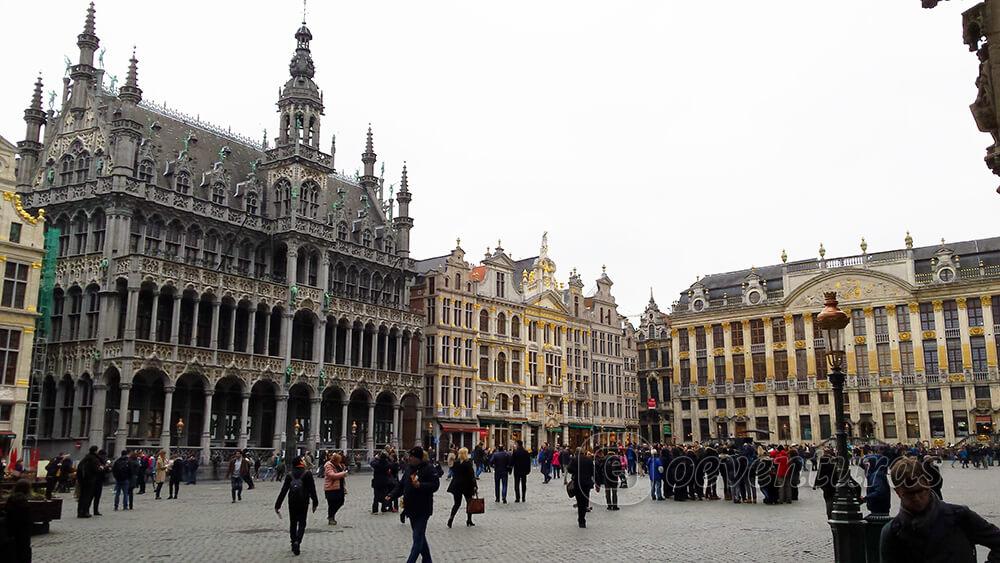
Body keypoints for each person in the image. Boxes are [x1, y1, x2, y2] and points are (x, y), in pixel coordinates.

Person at [880, 456, 1000, 561]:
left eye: (920, 490)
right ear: (898, 493)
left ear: (927, 484)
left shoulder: (959, 516)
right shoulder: (892, 532)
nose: (916, 498)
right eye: (909, 493)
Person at [387, 446, 440, 563]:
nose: (409, 458)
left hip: (423, 508)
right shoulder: (409, 468)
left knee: (417, 537)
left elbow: (435, 485)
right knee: (420, 536)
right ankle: (427, 560)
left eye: (412, 456)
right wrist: (391, 496)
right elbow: (401, 486)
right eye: (409, 456)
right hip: (410, 508)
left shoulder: (429, 469)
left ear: (418, 458)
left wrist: (421, 485)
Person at [275, 456, 319, 556]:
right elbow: (312, 489)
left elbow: (284, 491)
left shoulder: (290, 474)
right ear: (300, 462)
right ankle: (298, 541)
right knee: (302, 522)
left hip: (292, 501)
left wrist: (277, 505)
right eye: (302, 460)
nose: (304, 461)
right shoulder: (307, 473)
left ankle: (293, 541)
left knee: (293, 522)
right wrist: (315, 502)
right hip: (303, 501)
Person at [446, 447, 477, 528]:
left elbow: (453, 471)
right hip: (467, 486)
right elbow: (472, 476)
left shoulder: (456, 463)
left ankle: (451, 518)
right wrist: (475, 486)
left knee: (456, 504)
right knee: (469, 503)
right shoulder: (468, 463)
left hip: (456, 485)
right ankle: (469, 520)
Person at [567, 449, 596, 528]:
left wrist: (575, 472)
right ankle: (583, 516)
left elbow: (569, 469)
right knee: (584, 500)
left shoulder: (575, 460)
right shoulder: (589, 460)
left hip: (578, 483)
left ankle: (581, 520)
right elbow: (593, 472)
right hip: (587, 483)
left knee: (580, 502)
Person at [5, 479, 32, 563]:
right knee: (23, 552)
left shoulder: (11, 498)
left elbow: (7, 512)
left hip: (11, 530)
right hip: (23, 532)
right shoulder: (24, 501)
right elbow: (27, 518)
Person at [323, 452, 348, 525]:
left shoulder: (338, 465)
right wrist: (343, 474)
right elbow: (332, 475)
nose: (339, 461)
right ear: (335, 460)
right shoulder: (328, 465)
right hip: (331, 487)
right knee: (332, 504)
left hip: (339, 486)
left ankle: (331, 516)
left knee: (341, 501)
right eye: (338, 460)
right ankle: (331, 518)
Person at [91, 449, 110, 516]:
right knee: (95, 496)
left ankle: (95, 510)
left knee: (96, 497)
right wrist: (105, 467)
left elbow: (106, 470)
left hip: (98, 480)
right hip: (96, 480)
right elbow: (98, 470)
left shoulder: (101, 461)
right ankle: (94, 510)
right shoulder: (97, 461)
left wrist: (107, 468)